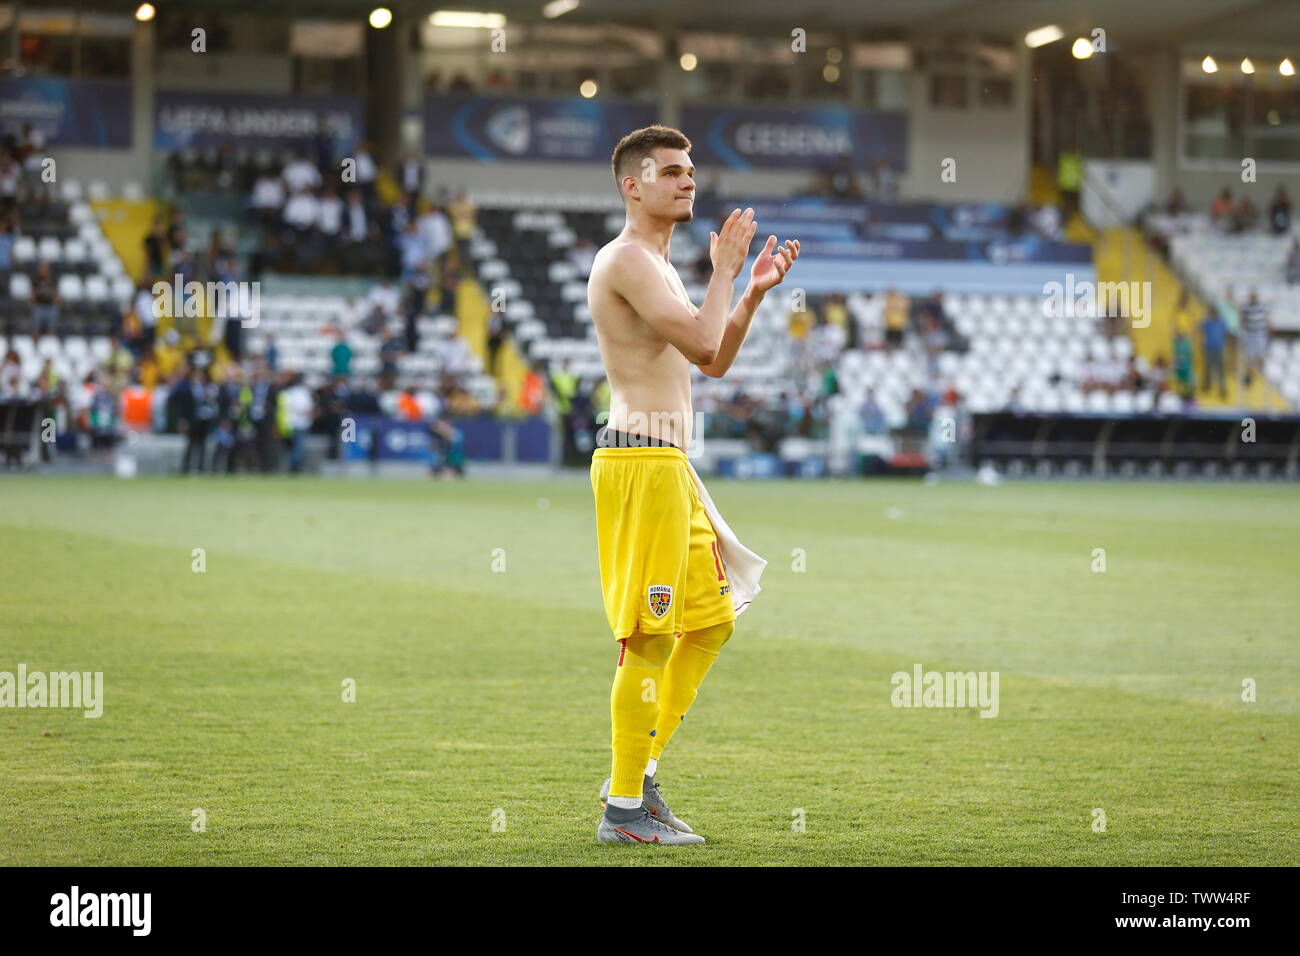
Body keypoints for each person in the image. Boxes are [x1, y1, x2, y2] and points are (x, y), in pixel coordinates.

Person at [586, 125, 798, 846]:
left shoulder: (659, 266)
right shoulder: (627, 260)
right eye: (672, 172)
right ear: (632, 185)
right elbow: (705, 346)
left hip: (669, 466)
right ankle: (623, 812)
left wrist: (751, 294)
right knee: (647, 637)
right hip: (640, 464)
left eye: (691, 172)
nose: (688, 182)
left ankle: (637, 775)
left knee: (710, 620)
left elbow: (712, 361)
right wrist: (726, 271)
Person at [1239, 292, 1270, 387]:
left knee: (1260, 354)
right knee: (1249, 356)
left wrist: (1269, 327)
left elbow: (1266, 318)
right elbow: (1242, 319)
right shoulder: (1246, 308)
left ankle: (1260, 372)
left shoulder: (1262, 307)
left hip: (1260, 333)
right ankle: (1249, 375)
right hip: (1250, 334)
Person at [1200, 308, 1228, 398]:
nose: (1214, 314)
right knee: (1208, 367)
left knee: (1220, 370)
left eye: (1215, 313)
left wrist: (1225, 343)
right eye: (1213, 313)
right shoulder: (1208, 323)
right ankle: (1206, 386)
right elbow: (1200, 329)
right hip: (1209, 348)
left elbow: (1225, 334)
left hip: (1219, 348)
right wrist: (1201, 341)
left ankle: (1222, 389)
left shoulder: (1222, 323)